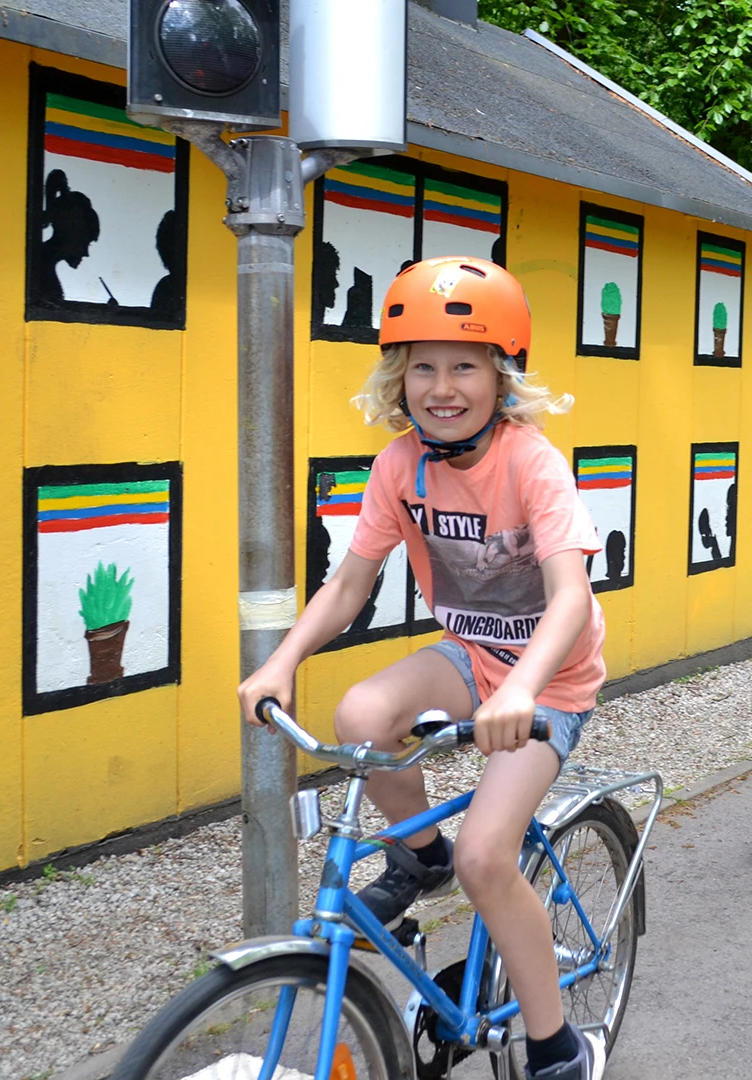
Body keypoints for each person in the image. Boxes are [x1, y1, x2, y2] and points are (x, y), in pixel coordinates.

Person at [237, 255, 608, 1080]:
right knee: (360, 716)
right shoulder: (398, 467)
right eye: (423, 366)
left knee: (490, 858)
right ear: (397, 378)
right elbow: (349, 584)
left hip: (548, 681)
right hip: (470, 657)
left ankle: (556, 1045)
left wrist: (519, 688)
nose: (443, 386)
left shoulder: (532, 462)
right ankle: (420, 857)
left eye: (465, 365)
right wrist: (282, 662)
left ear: (502, 377)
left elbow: (571, 595)